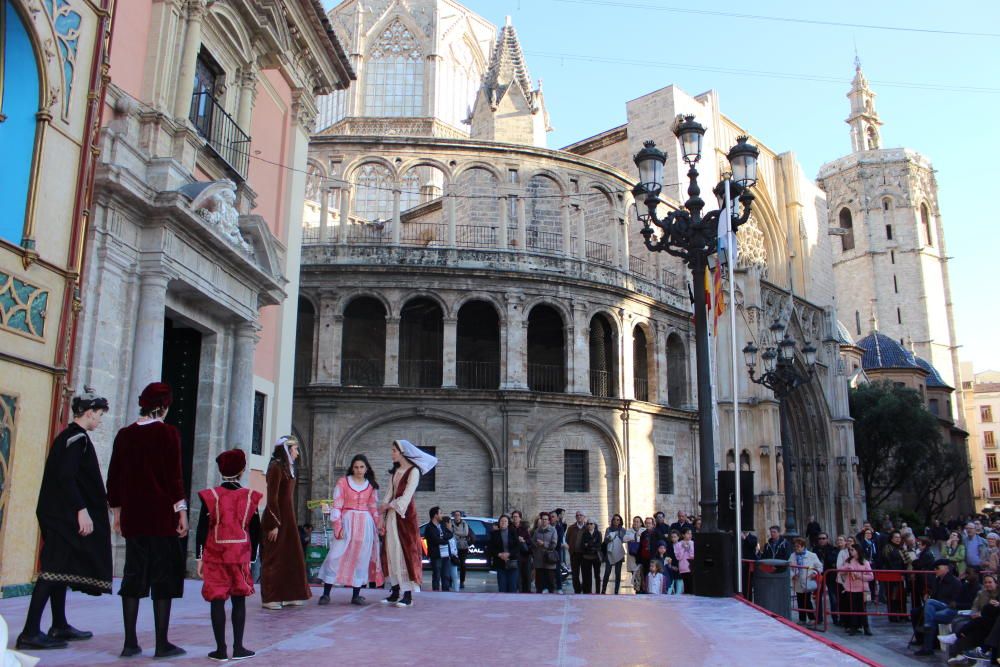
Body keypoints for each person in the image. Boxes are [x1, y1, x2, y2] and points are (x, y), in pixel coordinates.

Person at [17, 389, 113, 651]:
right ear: (90, 412)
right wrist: (81, 509)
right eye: (100, 415)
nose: (100, 420)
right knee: (51, 571)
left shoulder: (70, 436)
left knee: (60, 570)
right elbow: (65, 477)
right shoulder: (77, 439)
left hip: (59, 514)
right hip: (63, 516)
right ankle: (29, 632)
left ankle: (59, 624)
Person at [106, 382, 187, 659]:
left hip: (134, 517)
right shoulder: (168, 434)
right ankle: (162, 643)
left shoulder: (124, 435)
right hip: (161, 516)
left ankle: (130, 643)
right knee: (162, 578)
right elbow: (174, 478)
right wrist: (182, 512)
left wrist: (117, 514)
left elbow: (114, 478)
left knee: (133, 576)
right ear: (164, 406)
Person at [194, 449, 261, 662]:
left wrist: (199, 557)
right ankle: (239, 647)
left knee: (217, 600)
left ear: (220, 470)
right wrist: (252, 558)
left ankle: (220, 650)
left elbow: (201, 529)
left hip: (215, 555)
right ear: (242, 470)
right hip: (241, 555)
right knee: (239, 601)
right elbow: (255, 530)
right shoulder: (251, 497)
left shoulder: (210, 496)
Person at [317, 454, 384, 606]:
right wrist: (337, 526)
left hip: (365, 526)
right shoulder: (343, 482)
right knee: (335, 556)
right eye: (356, 467)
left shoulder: (371, 485)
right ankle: (326, 593)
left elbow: (373, 507)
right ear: (351, 468)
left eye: (362, 467)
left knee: (361, 559)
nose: (359, 470)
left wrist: (379, 525)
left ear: (366, 468)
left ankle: (356, 595)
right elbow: (337, 505)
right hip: (347, 523)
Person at [379, 439, 437, 608]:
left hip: (405, 516)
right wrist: (381, 514)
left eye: (394, 451)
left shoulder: (414, 472)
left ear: (403, 452)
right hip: (392, 515)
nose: (392, 454)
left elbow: (406, 496)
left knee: (404, 552)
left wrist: (389, 506)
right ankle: (395, 590)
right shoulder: (395, 472)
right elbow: (389, 493)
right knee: (391, 551)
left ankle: (408, 595)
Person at [261, 436, 311, 610]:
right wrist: (273, 523)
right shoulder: (275, 467)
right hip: (277, 518)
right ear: (287, 449)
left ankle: (290, 594)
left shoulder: (288, 468)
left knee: (291, 556)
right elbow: (272, 497)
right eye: (296, 449)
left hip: (288, 518)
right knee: (274, 558)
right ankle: (270, 597)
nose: (297, 453)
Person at [944, 573, 1000, 662]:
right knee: (958, 622)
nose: (987, 584)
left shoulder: (997, 595)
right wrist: (975, 613)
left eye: (990, 582)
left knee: (977, 624)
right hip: (982, 618)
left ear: (996, 583)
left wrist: (982, 613)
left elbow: (990, 610)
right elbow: (975, 606)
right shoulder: (981, 593)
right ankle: (962, 653)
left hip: (988, 620)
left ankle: (962, 648)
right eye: (985, 582)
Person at [915, 559, 963, 656]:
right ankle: (924, 642)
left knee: (930, 606)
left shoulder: (955, 582)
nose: (935, 570)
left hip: (948, 606)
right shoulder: (937, 581)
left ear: (946, 568)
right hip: (936, 606)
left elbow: (955, 600)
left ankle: (927, 642)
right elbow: (933, 595)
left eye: (937, 568)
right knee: (916, 612)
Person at [837, 543, 873, 636]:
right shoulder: (848, 561)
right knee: (853, 608)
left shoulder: (865, 562)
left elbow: (871, 576)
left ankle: (866, 627)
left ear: (858, 551)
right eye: (850, 550)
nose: (850, 551)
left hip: (863, 589)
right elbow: (840, 571)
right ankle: (854, 626)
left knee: (863, 609)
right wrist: (846, 568)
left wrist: (859, 575)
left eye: (852, 550)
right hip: (851, 588)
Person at [789, 537, 823, 626]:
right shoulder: (792, 556)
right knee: (800, 600)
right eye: (795, 546)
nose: (796, 548)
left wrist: (815, 573)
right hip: (798, 581)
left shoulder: (812, 555)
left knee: (807, 600)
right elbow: (789, 567)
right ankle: (802, 618)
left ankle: (812, 617)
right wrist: (792, 575)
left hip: (808, 580)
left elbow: (819, 567)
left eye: (798, 546)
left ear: (803, 546)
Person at [489, 514, 520, 593]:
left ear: (508, 523)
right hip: (500, 563)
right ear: (499, 523)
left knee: (512, 587)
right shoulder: (494, 534)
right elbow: (491, 548)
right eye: (501, 521)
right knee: (502, 587)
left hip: (512, 563)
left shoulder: (513, 532)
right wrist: (499, 554)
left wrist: (509, 554)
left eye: (505, 521)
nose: (503, 523)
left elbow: (517, 547)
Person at [881, 530, 907, 622]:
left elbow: (905, 562)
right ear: (891, 538)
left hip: (901, 575)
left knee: (901, 596)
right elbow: (888, 561)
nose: (898, 539)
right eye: (896, 537)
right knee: (893, 596)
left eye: (899, 537)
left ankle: (903, 615)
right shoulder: (887, 548)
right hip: (892, 576)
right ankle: (893, 615)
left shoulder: (901, 548)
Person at [815, 533, 840, 625]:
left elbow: (833, 561)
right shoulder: (815, 549)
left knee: (833, 597)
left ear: (827, 539)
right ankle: (819, 618)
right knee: (818, 597)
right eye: (820, 538)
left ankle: (835, 618)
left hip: (830, 575)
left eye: (823, 538)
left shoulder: (833, 549)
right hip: (819, 575)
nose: (821, 540)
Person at [531, 512, 559, 593]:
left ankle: (551, 597)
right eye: (543, 519)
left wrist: (544, 544)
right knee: (539, 582)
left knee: (550, 582)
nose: (544, 521)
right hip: (539, 559)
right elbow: (533, 542)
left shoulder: (553, 530)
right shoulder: (537, 530)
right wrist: (536, 545)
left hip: (549, 559)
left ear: (549, 521)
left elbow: (554, 545)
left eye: (546, 519)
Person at [601, 514, 626, 595]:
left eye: (618, 520)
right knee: (607, 572)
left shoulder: (623, 530)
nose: (616, 521)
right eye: (614, 519)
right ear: (612, 521)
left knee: (618, 573)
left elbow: (624, 540)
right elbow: (605, 541)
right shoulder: (608, 529)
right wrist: (610, 537)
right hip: (610, 553)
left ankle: (616, 591)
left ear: (620, 521)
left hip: (618, 552)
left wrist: (616, 536)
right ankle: (603, 590)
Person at [424, 506, 447, 591]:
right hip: (436, 555)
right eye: (440, 513)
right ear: (435, 515)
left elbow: (448, 534)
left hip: (445, 554)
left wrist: (444, 539)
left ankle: (446, 592)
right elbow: (435, 540)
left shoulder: (442, 525)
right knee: (436, 575)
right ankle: (436, 592)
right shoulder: (429, 527)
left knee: (445, 575)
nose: (442, 515)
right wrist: (445, 541)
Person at [510, 510, 533, 593]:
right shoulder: (510, 528)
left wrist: (523, 540)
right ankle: (518, 590)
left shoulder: (524, 529)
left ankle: (527, 591)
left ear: (520, 518)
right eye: (513, 517)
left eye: (516, 517)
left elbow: (529, 541)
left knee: (526, 574)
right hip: (514, 555)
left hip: (525, 555)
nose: (515, 518)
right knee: (516, 575)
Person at [566, 511, 588, 594]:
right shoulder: (571, 528)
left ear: (584, 517)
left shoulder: (587, 527)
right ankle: (577, 590)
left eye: (580, 515)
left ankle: (585, 589)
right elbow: (567, 539)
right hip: (574, 554)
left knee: (585, 573)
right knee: (575, 574)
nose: (579, 517)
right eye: (577, 515)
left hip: (584, 555)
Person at [451, 511, 472, 590]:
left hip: (463, 547)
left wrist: (456, 533)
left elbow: (466, 533)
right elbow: (451, 533)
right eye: (455, 515)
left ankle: (462, 582)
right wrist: (460, 533)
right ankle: (452, 581)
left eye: (458, 515)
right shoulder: (451, 523)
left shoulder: (464, 523)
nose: (457, 516)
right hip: (454, 546)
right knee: (452, 564)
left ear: (460, 516)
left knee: (462, 564)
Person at [580, 521, 602, 594]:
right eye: (588, 524)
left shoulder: (598, 533)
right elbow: (583, 545)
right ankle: (588, 591)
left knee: (597, 575)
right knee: (587, 575)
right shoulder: (584, 533)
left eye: (591, 524)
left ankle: (598, 591)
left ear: (594, 525)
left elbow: (599, 545)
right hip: (586, 557)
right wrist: (592, 544)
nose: (589, 525)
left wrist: (589, 545)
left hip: (596, 557)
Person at [624, 516, 644, 594]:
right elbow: (625, 539)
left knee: (642, 575)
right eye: (634, 521)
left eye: (637, 521)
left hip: (642, 557)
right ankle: (637, 591)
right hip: (633, 557)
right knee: (635, 576)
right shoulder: (629, 531)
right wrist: (635, 536)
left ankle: (643, 590)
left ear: (641, 523)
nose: (635, 523)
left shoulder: (644, 530)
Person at [440, 515, 459, 592]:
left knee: (454, 576)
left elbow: (454, 545)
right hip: (447, 557)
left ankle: (455, 591)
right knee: (448, 576)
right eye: (450, 522)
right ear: (446, 523)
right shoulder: (445, 533)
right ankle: (451, 591)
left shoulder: (450, 532)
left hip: (452, 557)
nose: (451, 524)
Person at [675, 528, 695, 595]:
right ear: (683, 535)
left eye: (690, 533)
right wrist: (683, 548)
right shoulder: (678, 544)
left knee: (692, 586)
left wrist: (688, 548)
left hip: (691, 567)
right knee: (686, 585)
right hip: (683, 567)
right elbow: (678, 557)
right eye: (688, 533)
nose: (690, 535)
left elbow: (693, 556)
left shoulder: (693, 543)